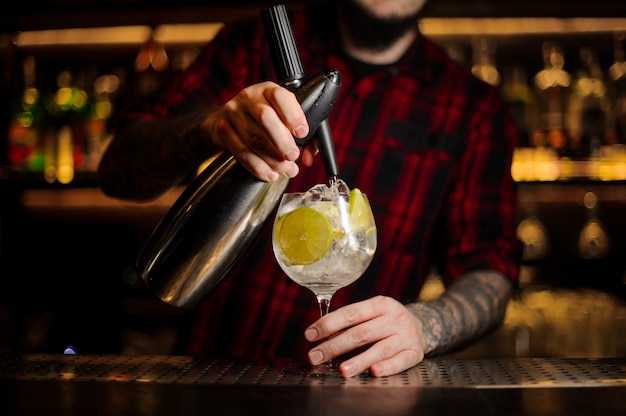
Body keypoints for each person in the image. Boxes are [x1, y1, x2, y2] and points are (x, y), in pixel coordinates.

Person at [98, 0, 521, 378]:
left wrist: (424, 327)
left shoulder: (473, 110)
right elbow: (118, 171)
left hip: (357, 390)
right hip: (213, 380)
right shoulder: (252, 44)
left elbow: (490, 273)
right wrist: (210, 127)